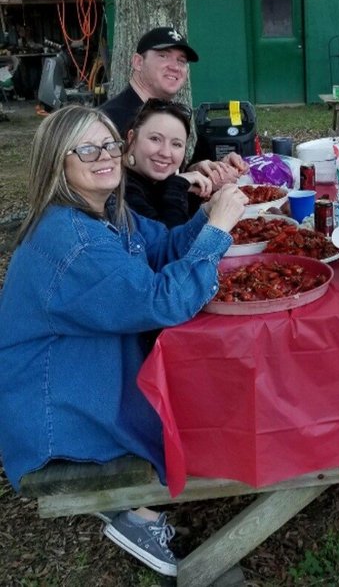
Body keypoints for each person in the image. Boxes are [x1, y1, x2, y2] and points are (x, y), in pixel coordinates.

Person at [0, 105, 247, 577]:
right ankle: (137, 513)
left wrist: (209, 214)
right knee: (203, 409)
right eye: (87, 149)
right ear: (58, 162)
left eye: (110, 144)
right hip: (59, 415)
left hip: (86, 377)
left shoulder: (103, 213)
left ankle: (142, 509)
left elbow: (159, 248)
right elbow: (162, 300)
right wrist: (218, 231)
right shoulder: (75, 243)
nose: (106, 156)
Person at [100, 26, 246, 188]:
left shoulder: (167, 114)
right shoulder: (107, 121)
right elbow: (123, 198)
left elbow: (163, 182)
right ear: (138, 62)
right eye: (163, 56)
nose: (174, 67)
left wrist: (203, 172)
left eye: (181, 60)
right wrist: (184, 182)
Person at [124, 97, 213, 227]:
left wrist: (198, 179)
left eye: (176, 144)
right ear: (132, 138)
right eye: (155, 139)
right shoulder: (120, 188)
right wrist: (176, 185)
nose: (165, 153)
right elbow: (172, 240)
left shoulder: (150, 179)